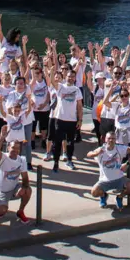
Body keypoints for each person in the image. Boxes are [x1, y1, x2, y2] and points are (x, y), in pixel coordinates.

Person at [44, 39, 86, 172]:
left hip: (72, 120)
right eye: (69, 76)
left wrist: (80, 120)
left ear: (74, 78)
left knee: (70, 143)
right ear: (65, 76)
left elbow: (79, 107)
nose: (71, 78)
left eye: (73, 77)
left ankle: (69, 160)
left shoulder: (77, 90)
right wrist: (51, 70)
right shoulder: (60, 87)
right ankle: (56, 162)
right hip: (60, 119)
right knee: (57, 141)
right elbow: (51, 81)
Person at [86, 129, 130, 210]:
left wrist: (127, 164)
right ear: (105, 139)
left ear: (116, 139)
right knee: (94, 192)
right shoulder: (101, 149)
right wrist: (95, 154)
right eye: (109, 138)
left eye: (113, 138)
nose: (111, 140)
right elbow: (88, 154)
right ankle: (104, 196)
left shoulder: (119, 148)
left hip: (119, 179)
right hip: (104, 181)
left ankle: (119, 198)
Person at [0, 123, 32, 223]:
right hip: (1, 190)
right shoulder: (3, 158)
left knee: (28, 190)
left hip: (14, 188)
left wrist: (24, 187)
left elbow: (25, 177)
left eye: (18, 149)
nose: (16, 150)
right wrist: (1, 138)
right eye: (13, 148)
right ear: (8, 147)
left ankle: (20, 211)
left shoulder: (22, 160)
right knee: (2, 212)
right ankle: (0, 207)